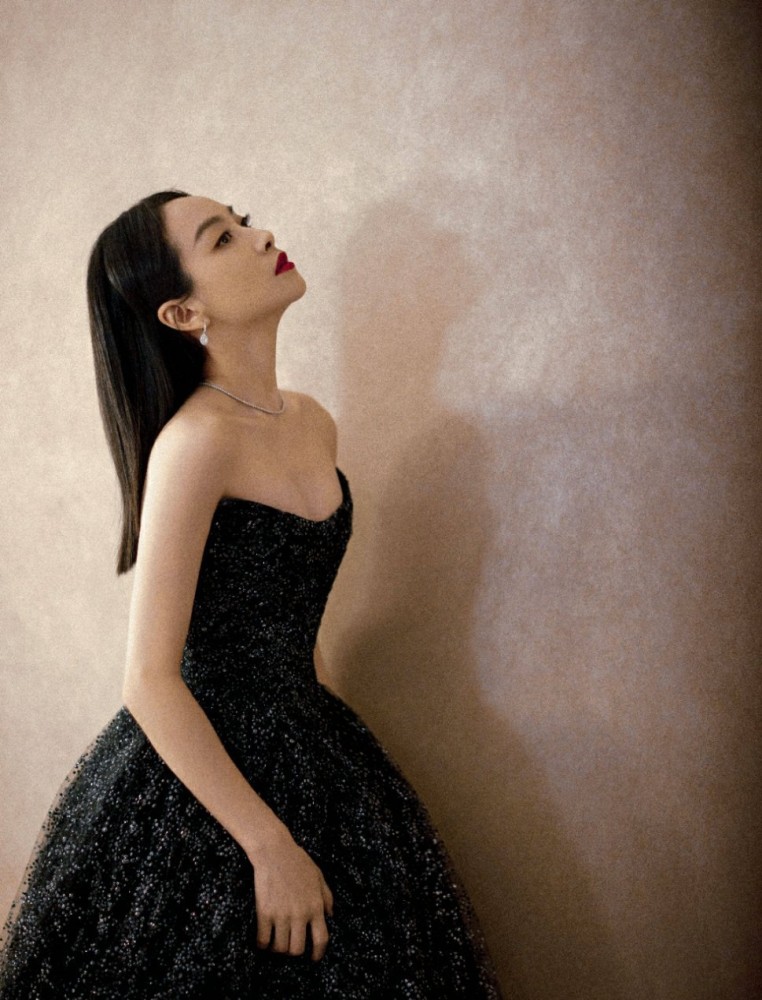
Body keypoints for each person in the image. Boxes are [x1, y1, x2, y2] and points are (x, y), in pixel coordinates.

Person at [0, 191, 503, 998]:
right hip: (205, 777)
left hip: (317, 742)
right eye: (223, 239)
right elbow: (149, 680)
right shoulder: (195, 444)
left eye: (243, 220)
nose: (262, 236)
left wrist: (338, 770)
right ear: (181, 312)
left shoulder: (313, 422)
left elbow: (292, 621)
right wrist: (268, 847)